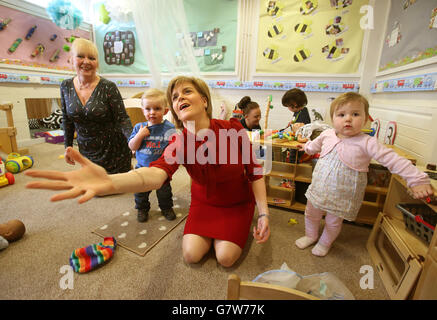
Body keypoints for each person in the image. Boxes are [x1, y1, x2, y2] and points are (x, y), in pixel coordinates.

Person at [26, 76, 270, 268]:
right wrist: (111, 182)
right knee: (191, 255)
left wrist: (263, 214)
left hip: (236, 202)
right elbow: (154, 174)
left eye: (187, 91)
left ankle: (231, 232)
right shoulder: (179, 142)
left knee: (226, 258)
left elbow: (255, 173)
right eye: (174, 96)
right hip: (205, 204)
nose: (179, 98)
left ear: (204, 100)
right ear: (174, 109)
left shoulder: (232, 128)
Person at [295, 92, 434, 257]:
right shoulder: (327, 134)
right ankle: (311, 235)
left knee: (333, 221)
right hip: (319, 187)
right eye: (341, 114)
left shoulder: (367, 142)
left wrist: (417, 180)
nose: (348, 119)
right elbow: (314, 146)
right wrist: (306, 147)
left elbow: (393, 160)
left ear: (366, 118)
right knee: (311, 213)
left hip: (343, 194)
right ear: (332, 118)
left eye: (355, 114)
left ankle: (325, 243)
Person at [60, 38, 133, 174]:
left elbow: (122, 118)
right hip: (86, 151)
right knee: (95, 189)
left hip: (113, 150)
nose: (86, 61)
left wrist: (133, 142)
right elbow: (67, 120)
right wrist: (68, 147)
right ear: (71, 60)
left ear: (97, 63)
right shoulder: (66, 86)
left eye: (92, 58)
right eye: (81, 56)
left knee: (113, 189)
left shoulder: (108, 87)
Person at [128, 88, 176, 223]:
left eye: (157, 108)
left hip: (161, 170)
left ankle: (166, 208)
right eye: (148, 109)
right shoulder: (139, 128)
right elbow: (132, 146)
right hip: (142, 168)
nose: (152, 112)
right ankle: (142, 209)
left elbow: (174, 149)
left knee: (164, 193)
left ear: (165, 111)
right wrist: (139, 136)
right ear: (143, 110)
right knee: (140, 193)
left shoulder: (169, 128)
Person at [282, 88, 311, 163]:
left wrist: (293, 126)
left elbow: (301, 128)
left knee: (293, 158)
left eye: (288, 106)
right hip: (296, 139)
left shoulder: (303, 113)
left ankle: (292, 171)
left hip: (300, 141)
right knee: (292, 155)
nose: (288, 108)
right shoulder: (298, 111)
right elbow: (294, 122)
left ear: (294, 104)